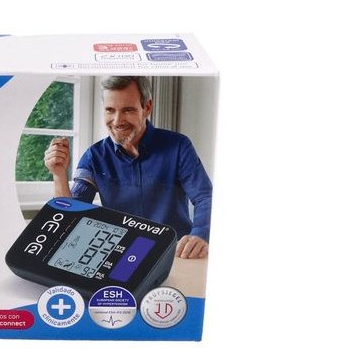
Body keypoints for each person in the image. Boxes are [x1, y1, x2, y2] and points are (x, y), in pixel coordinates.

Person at [44, 76, 212, 259]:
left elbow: (205, 196)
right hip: (120, 255)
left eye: (128, 110)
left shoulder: (178, 146)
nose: (117, 121)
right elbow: (71, 216)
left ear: (147, 107)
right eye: (110, 110)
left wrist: (200, 234)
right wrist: (59, 175)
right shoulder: (94, 157)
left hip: (176, 254)